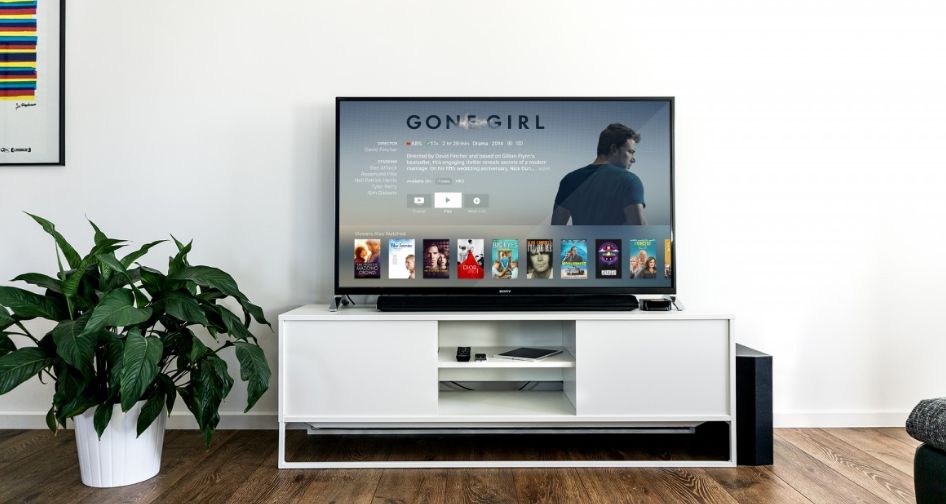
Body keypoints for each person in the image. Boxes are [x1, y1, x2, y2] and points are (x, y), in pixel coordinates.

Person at [552, 123, 647, 225]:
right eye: (630, 152)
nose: (633, 159)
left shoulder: (569, 180)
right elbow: (640, 231)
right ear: (614, 149)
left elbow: (556, 228)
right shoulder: (629, 181)